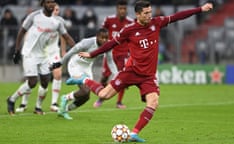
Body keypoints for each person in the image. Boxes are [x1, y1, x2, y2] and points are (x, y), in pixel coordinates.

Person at [65, 1, 213, 142]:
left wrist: (200, 9)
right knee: (104, 94)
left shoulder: (156, 23)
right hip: (131, 71)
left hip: (148, 76)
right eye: (146, 13)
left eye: (150, 12)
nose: (150, 15)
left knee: (153, 102)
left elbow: (177, 16)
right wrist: (92, 54)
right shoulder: (129, 30)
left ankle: (133, 134)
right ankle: (83, 79)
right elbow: (110, 43)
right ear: (138, 14)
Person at [6, 0, 75, 115]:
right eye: (48, 2)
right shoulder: (34, 16)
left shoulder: (57, 22)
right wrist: (17, 50)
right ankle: (12, 99)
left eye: (52, 2)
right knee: (32, 82)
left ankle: (37, 107)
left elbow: (67, 37)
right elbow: (21, 31)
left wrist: (76, 50)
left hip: (44, 55)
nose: (51, 4)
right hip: (30, 53)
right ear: (43, 4)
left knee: (45, 82)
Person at [57, 28, 112, 120]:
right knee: (85, 90)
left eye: (106, 38)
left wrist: (118, 75)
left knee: (86, 96)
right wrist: (61, 63)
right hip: (76, 65)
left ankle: (64, 110)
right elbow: (72, 51)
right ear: (97, 37)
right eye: (102, 38)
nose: (104, 40)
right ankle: (65, 98)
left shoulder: (108, 45)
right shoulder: (87, 42)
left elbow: (111, 62)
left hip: (87, 67)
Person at [94, 0, 133, 109]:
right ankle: (101, 98)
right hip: (110, 53)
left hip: (123, 54)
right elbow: (102, 32)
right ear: (117, 9)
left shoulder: (130, 22)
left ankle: (119, 102)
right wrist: (102, 45)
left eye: (124, 9)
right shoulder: (109, 20)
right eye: (120, 9)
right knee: (104, 77)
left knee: (122, 78)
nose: (122, 11)